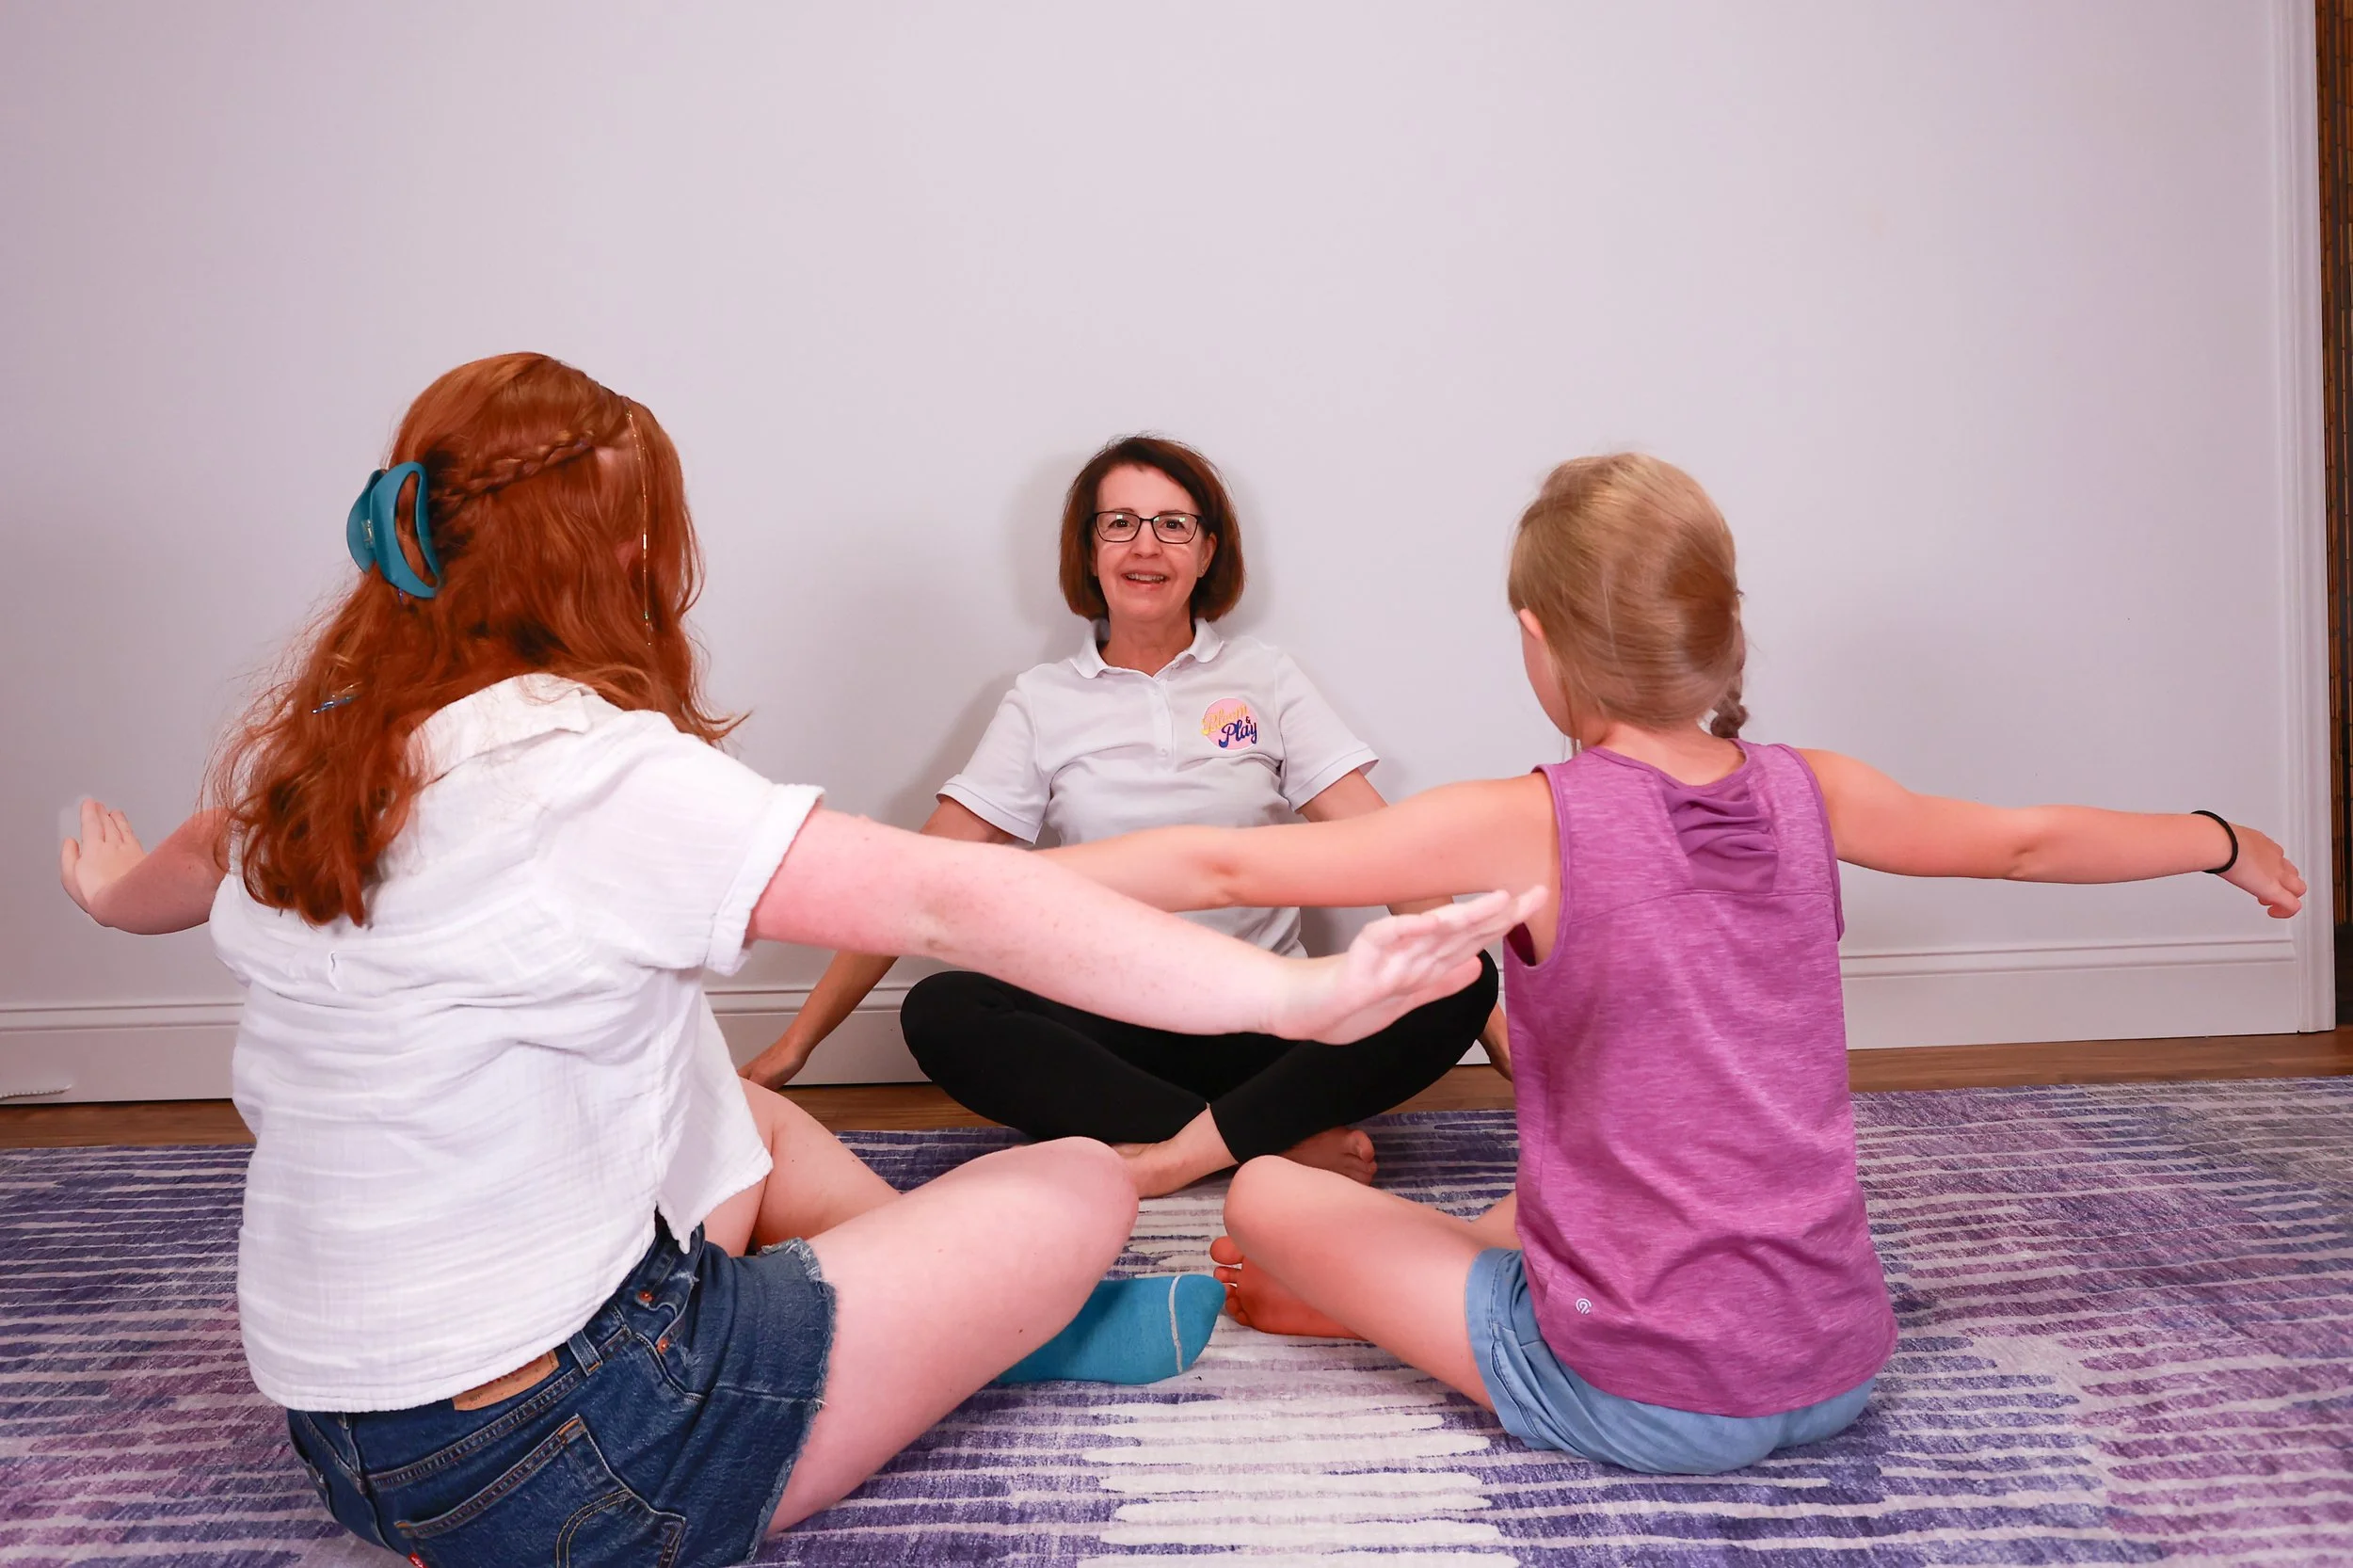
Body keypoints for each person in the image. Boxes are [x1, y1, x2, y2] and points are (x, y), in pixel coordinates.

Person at [55, 354, 1529, 1567]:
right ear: (627, 556)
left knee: (719, 1097)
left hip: (352, 1447)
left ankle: (929, 1295)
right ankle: (982, 1312)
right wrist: (1305, 995)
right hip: (582, 1461)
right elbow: (953, 903)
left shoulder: (326, 758)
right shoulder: (599, 773)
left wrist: (116, 893)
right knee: (1079, 1182)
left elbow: (190, 859)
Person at [1046, 452, 2304, 1476]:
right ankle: (1434, 1278)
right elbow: (2026, 845)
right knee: (1527, 1208)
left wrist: (959, 889)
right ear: (1712, 636)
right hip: (1839, 1366)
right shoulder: (1819, 788)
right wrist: (2223, 839)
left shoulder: (1531, 816)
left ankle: (1400, 1300)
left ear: (1537, 640)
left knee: (1267, 1194)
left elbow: (1223, 869)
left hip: (1637, 1394)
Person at [739, 434, 1505, 1197]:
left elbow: (1387, 853)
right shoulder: (1042, 699)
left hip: (1268, 1023)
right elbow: (920, 882)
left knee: (1461, 973)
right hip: (1109, 1031)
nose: (1147, 546)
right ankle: (1260, 1142)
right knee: (943, 1008)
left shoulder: (1266, 678)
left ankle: (1182, 1146)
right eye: (1121, 524)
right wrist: (795, 1047)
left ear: (1207, 552)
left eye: (1173, 524)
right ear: (1090, 549)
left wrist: (1500, 1037)